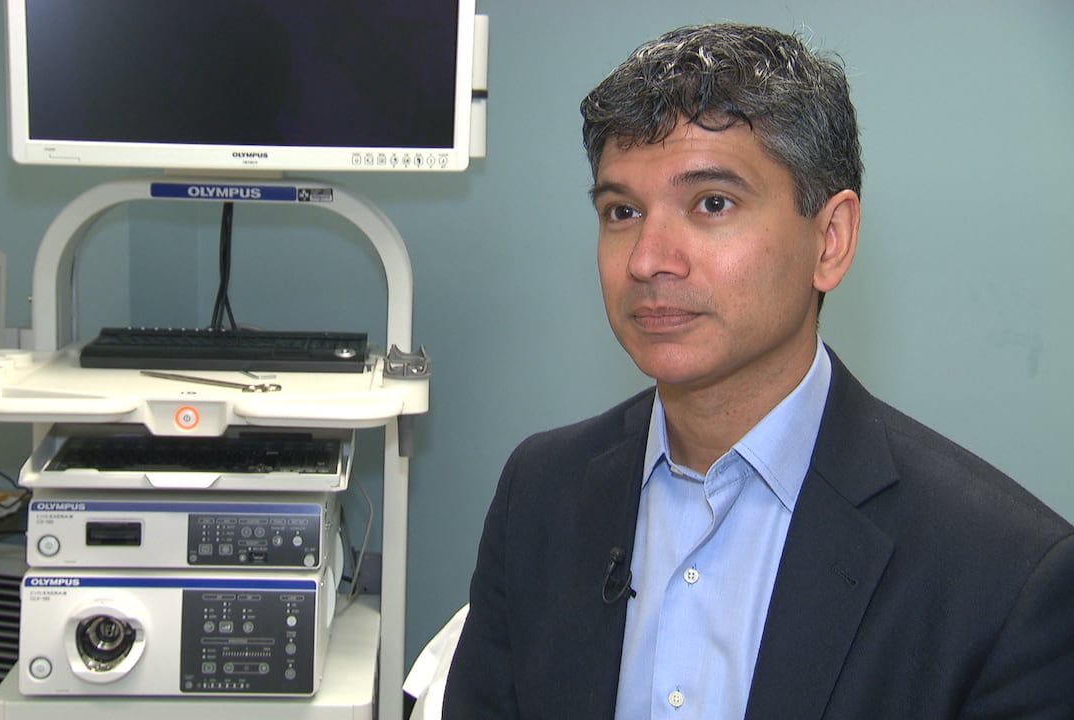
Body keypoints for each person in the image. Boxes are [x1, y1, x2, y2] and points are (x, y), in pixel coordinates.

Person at [442, 22, 1074, 720]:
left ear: (830, 241)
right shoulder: (540, 494)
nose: (648, 258)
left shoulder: (1007, 577)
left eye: (712, 203)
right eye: (622, 211)